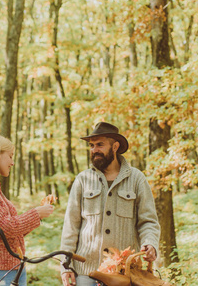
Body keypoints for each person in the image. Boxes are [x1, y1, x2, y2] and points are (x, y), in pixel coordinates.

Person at [60, 122, 160, 286]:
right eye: (92, 146)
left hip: (123, 273)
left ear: (115, 146)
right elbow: (70, 227)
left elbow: (148, 221)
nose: (94, 150)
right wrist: (65, 266)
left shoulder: (136, 179)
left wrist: (150, 243)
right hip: (86, 272)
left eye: (100, 145)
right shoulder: (83, 180)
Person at [0, 134, 54, 286]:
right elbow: (6, 228)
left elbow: (11, 233)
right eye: (10, 156)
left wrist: (38, 216)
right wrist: (36, 213)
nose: (12, 163)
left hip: (12, 269)